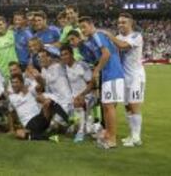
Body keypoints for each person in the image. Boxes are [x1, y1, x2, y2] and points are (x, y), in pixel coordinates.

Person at [78, 16, 125, 149]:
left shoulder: (98, 35)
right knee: (106, 106)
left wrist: (96, 70)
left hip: (113, 74)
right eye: (80, 28)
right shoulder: (92, 39)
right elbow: (95, 57)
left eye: (84, 27)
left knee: (109, 107)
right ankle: (108, 134)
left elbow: (106, 54)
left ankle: (112, 139)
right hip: (108, 75)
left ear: (91, 25)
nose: (82, 30)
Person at [100, 12, 145, 147]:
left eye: (124, 22)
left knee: (134, 105)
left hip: (136, 75)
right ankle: (132, 135)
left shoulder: (136, 36)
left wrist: (109, 35)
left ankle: (136, 137)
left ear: (131, 23)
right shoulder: (118, 37)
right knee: (127, 106)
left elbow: (123, 46)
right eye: (119, 22)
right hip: (122, 76)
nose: (121, 25)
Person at [60, 45, 96, 142]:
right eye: (62, 55)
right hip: (73, 98)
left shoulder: (82, 65)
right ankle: (89, 126)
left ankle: (80, 132)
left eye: (66, 54)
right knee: (59, 122)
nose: (64, 57)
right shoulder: (64, 68)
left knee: (77, 102)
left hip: (87, 95)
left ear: (72, 54)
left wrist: (82, 95)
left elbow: (91, 84)